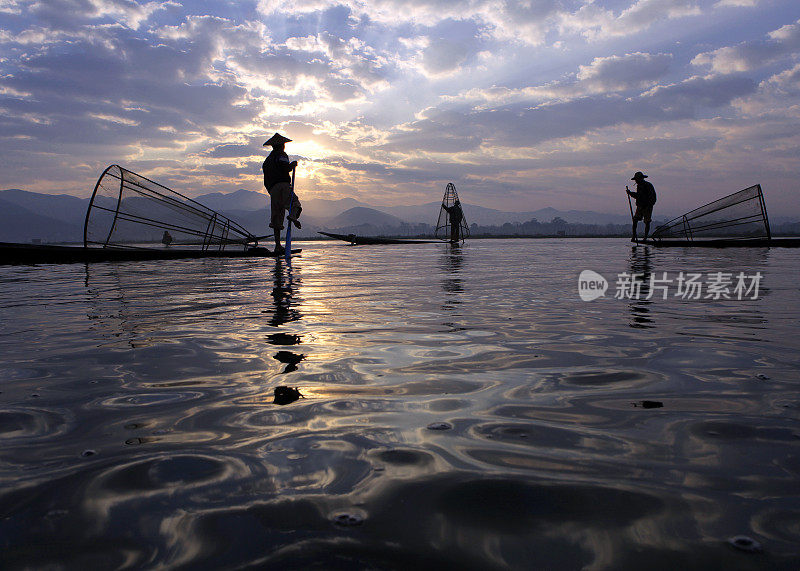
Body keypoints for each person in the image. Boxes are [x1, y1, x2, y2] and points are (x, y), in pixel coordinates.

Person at [262, 132, 302, 254]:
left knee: (276, 218)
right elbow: (284, 168)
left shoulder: (267, 161)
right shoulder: (281, 154)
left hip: (273, 190)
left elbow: (266, 179)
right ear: (281, 146)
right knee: (294, 203)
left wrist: (271, 190)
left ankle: (278, 245)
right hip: (283, 186)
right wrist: (292, 165)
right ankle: (293, 216)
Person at [626, 171, 656, 242]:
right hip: (640, 206)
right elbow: (638, 196)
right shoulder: (639, 186)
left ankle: (645, 237)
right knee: (635, 220)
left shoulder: (648, 185)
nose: (636, 181)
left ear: (641, 178)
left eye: (637, 179)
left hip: (647, 206)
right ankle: (634, 236)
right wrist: (630, 193)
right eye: (635, 180)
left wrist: (649, 205)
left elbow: (653, 197)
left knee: (647, 221)